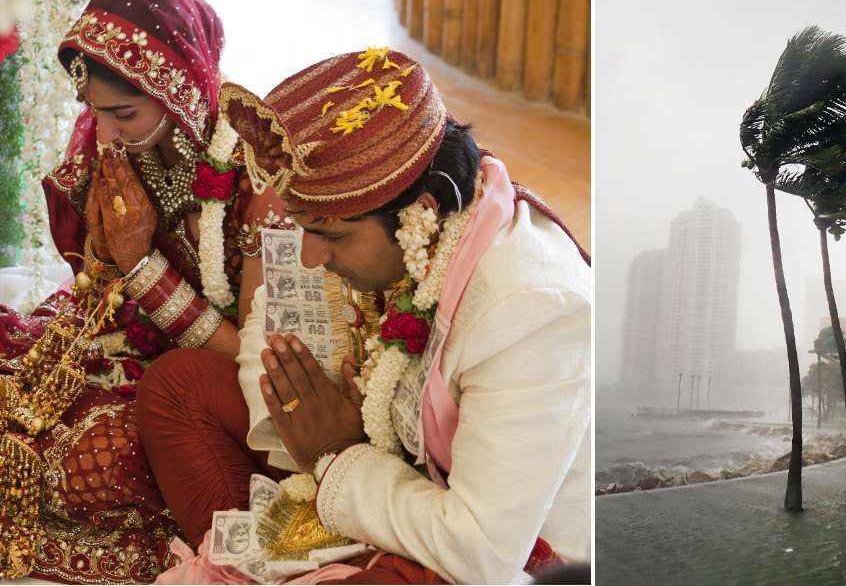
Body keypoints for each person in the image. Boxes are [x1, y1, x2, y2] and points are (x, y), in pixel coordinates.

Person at [138, 48, 591, 584]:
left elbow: (481, 554)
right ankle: (264, 566)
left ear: (420, 212)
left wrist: (334, 454)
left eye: (330, 236)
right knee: (178, 386)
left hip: (485, 550)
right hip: (383, 476)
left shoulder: (529, 307)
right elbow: (269, 321)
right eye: (305, 227)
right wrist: (312, 422)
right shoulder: (391, 216)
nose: (310, 256)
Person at [0, 0, 287, 583]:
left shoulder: (257, 177)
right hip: (124, 341)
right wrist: (112, 264)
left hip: (220, 392)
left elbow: (257, 362)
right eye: (92, 110)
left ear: (180, 91)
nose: (102, 133)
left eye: (122, 113)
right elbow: (95, 288)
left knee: (94, 463)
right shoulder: (115, 150)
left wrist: (142, 267)